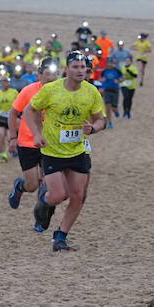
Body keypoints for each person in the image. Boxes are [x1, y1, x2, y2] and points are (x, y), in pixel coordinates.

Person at [24, 51, 106, 251]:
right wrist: (36, 134)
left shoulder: (91, 91)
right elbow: (30, 110)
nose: (80, 70)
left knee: (78, 196)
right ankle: (44, 201)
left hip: (77, 150)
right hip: (52, 150)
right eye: (76, 67)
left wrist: (93, 128)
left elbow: (101, 119)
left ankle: (60, 236)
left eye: (83, 67)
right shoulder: (51, 90)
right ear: (66, 69)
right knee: (58, 195)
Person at [8, 58, 60, 213]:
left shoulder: (61, 92)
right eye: (47, 74)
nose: (50, 78)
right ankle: (19, 186)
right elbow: (13, 113)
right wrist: (12, 137)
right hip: (27, 143)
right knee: (32, 186)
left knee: (47, 185)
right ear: (39, 74)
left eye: (54, 74)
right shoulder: (28, 91)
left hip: (51, 144)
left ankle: (41, 217)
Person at [0, 76, 19, 162]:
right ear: (0, 83)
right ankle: (3, 155)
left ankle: (12, 149)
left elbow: (18, 103)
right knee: (1, 135)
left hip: (11, 118)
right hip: (0, 118)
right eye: (4, 81)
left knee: (10, 137)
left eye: (7, 81)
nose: (7, 83)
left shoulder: (14, 92)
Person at [99, 62, 123, 128]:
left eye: (112, 63)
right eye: (109, 63)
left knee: (113, 107)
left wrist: (119, 80)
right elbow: (100, 79)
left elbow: (123, 78)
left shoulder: (117, 71)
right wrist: (102, 81)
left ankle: (116, 110)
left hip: (115, 90)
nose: (110, 65)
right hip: (106, 90)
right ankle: (109, 123)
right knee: (108, 106)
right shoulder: (104, 71)